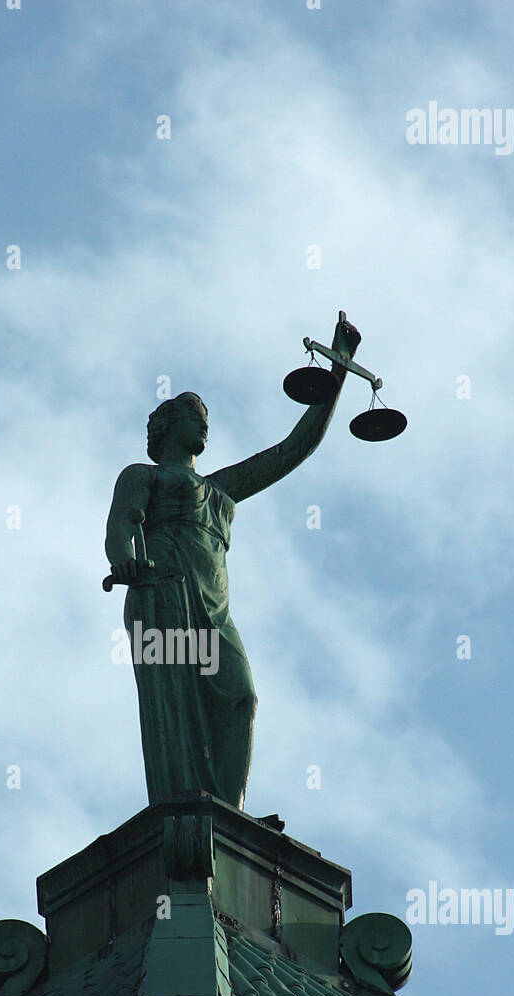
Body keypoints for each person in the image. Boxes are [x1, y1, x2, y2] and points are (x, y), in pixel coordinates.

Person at [105, 316, 360, 810]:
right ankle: (183, 810)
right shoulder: (144, 476)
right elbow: (120, 527)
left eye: (206, 417)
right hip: (165, 594)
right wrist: (126, 562)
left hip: (213, 607)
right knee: (175, 709)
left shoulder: (219, 489)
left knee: (241, 697)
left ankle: (228, 812)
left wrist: (338, 369)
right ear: (165, 429)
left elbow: (293, 449)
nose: (204, 422)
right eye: (192, 415)